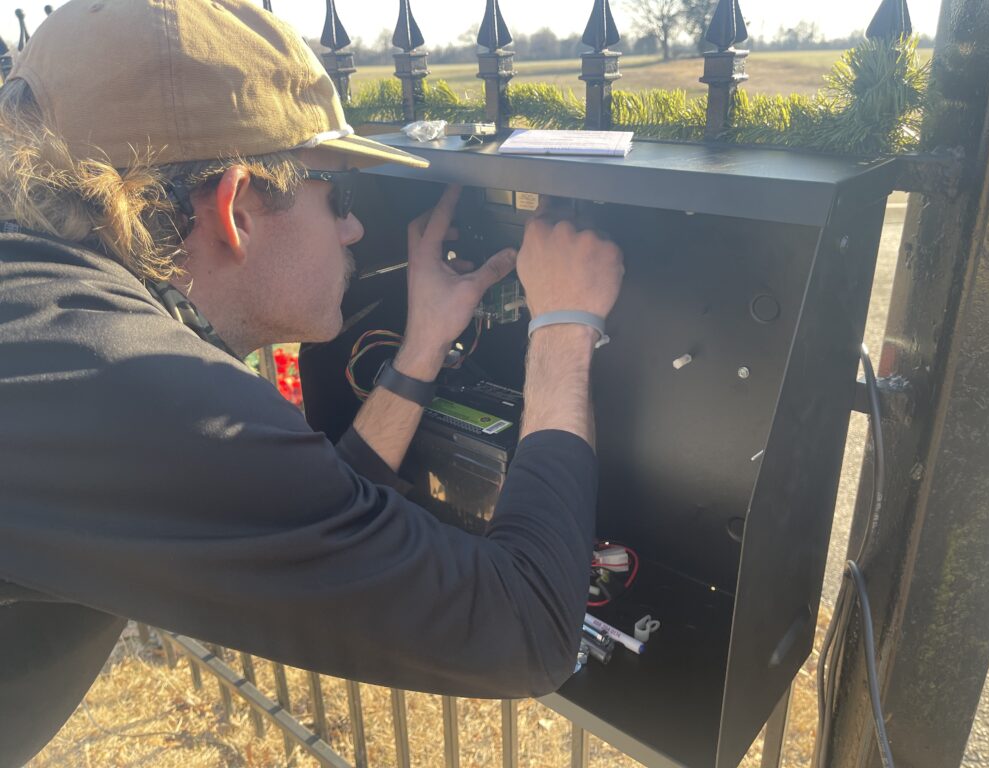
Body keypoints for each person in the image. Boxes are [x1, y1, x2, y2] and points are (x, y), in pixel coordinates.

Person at [0, 0, 624, 763]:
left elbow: (295, 512)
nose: (356, 231)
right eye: (342, 197)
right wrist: (565, 322)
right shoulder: (128, 377)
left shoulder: (46, 305)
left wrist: (422, 347)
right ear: (236, 208)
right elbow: (528, 630)